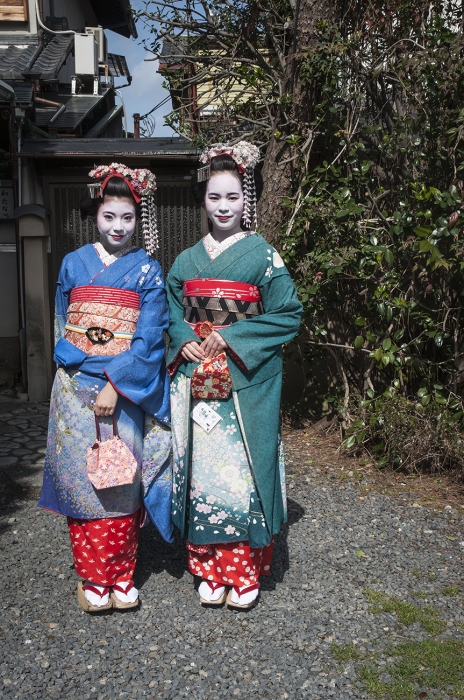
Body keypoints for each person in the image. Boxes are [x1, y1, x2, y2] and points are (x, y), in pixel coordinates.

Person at [166, 142, 302, 609]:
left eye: (232, 198)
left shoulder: (265, 256)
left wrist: (233, 336)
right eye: (214, 197)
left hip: (245, 383)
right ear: (202, 200)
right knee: (202, 473)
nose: (223, 207)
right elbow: (167, 309)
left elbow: (289, 314)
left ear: (247, 200)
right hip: (196, 380)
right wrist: (180, 336)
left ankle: (243, 572)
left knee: (241, 472)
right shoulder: (185, 262)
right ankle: (206, 565)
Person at [39, 163, 171, 612]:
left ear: (140, 218)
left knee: (121, 481)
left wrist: (117, 381)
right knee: (83, 480)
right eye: (109, 216)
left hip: (124, 388)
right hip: (75, 385)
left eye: (128, 218)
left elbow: (151, 336)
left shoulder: (148, 271)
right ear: (95, 213)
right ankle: (94, 577)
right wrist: (76, 369)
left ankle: (122, 573)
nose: (118, 227)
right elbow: (63, 320)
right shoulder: (74, 263)